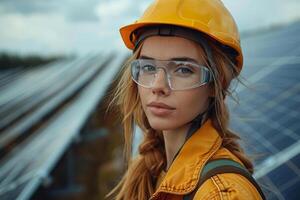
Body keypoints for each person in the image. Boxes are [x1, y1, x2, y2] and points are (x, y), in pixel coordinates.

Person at [108, 0, 266, 199]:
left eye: (183, 69)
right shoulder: (152, 168)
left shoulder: (221, 194)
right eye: (148, 67)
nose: (158, 86)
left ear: (215, 85)